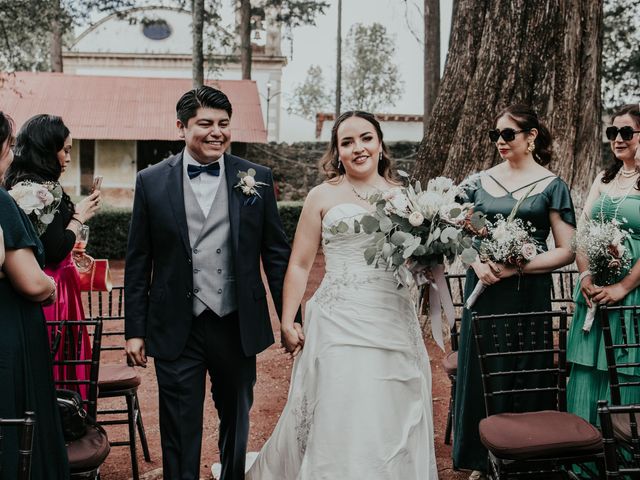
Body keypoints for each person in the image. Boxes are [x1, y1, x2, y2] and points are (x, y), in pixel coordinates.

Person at [244, 110, 438, 479]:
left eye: (365, 138)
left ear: (380, 145)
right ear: (337, 151)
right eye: (346, 142)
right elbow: (299, 265)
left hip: (392, 317)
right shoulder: (322, 195)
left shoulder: (408, 200)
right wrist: (288, 320)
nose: (357, 148)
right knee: (341, 405)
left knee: (392, 406)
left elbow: (420, 263)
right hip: (338, 319)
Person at [124, 85, 293, 480]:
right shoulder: (150, 181)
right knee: (179, 425)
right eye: (206, 124)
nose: (217, 132)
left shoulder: (257, 178)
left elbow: (276, 254)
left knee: (237, 416)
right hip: (174, 324)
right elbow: (138, 261)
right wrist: (135, 329)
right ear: (181, 127)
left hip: (235, 321)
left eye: (224, 124)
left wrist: (291, 316)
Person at [452, 104, 576, 479]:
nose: (500, 142)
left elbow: (566, 248)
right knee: (482, 368)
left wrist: (515, 266)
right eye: (496, 135)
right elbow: (458, 232)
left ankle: (524, 457)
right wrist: (476, 263)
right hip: (484, 289)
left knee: (524, 367)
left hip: (527, 292)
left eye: (508, 134)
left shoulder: (552, 185)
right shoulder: (477, 182)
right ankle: (479, 457)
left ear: (531, 137)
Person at [4, 114, 101, 399]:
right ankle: (66, 413)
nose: (68, 157)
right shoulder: (45, 191)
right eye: (65, 149)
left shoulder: (15, 185)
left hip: (32, 283)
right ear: (48, 149)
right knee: (60, 357)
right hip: (53, 289)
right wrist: (80, 217)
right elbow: (56, 249)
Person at [0, 111, 69, 479]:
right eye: (9, 147)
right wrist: (51, 285)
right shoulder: (2, 202)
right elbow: (29, 281)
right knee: (18, 422)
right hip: (11, 329)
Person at [567, 104, 640, 424]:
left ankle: (623, 460)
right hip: (593, 293)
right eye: (613, 132)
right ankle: (584, 456)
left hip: (632, 295)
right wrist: (585, 275)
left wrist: (623, 286)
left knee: (625, 368)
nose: (618, 139)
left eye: (627, 132)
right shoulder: (603, 177)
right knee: (587, 370)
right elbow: (581, 232)